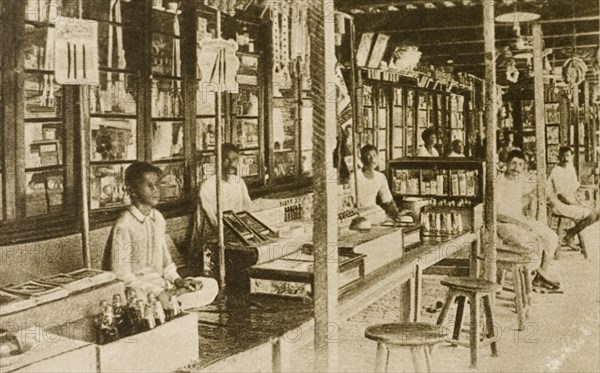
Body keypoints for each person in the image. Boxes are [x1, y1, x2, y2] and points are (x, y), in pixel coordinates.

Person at [103, 161, 219, 304]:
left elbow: (166, 264)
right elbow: (122, 276)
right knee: (144, 299)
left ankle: (173, 301)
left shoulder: (158, 218)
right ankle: (170, 303)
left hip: (163, 286)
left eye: (157, 184)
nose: (155, 190)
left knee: (210, 284)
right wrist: (159, 292)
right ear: (132, 190)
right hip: (139, 291)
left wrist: (178, 281)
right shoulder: (124, 224)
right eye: (149, 185)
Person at [496, 150, 561, 290]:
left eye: (520, 165)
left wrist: (530, 211)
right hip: (502, 224)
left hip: (520, 221)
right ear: (506, 164)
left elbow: (530, 193)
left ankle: (539, 277)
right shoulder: (499, 182)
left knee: (551, 236)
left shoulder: (520, 180)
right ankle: (541, 275)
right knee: (531, 244)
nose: (516, 168)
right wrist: (520, 223)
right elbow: (496, 213)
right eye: (513, 163)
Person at [547, 146, 599, 246]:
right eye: (563, 156)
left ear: (571, 157)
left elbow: (574, 190)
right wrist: (579, 205)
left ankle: (570, 232)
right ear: (559, 157)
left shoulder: (570, 169)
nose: (565, 158)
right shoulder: (556, 171)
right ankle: (569, 235)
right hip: (559, 204)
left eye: (568, 156)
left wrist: (580, 202)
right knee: (591, 215)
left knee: (598, 213)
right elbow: (562, 196)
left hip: (570, 201)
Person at [198, 143, 254, 231]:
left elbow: (248, 209)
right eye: (227, 159)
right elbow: (213, 221)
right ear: (218, 160)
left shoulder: (239, 182)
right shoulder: (207, 186)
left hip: (240, 231)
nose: (231, 164)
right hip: (219, 234)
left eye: (235, 160)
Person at [349, 144, 403, 222]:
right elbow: (351, 202)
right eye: (368, 156)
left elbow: (388, 201)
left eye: (374, 155)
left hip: (375, 213)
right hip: (359, 215)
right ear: (362, 159)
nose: (372, 159)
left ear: (377, 157)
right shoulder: (355, 177)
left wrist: (396, 215)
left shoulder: (380, 177)